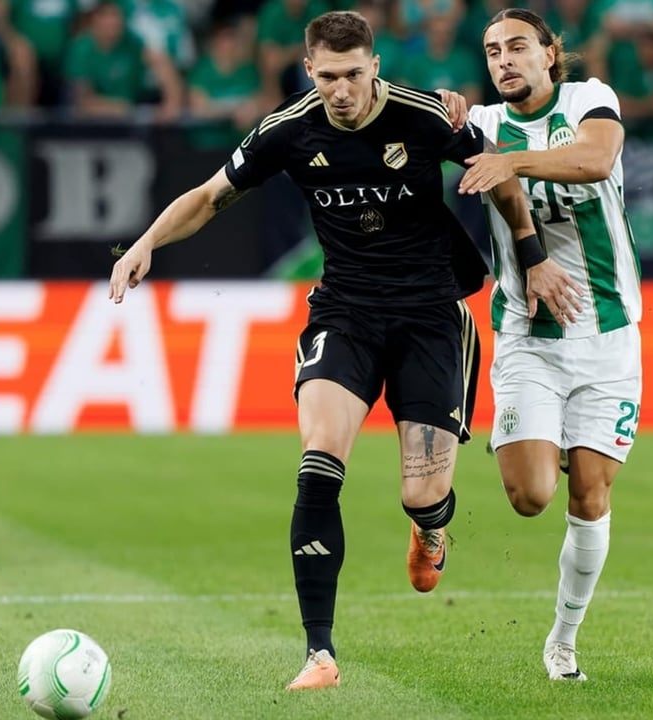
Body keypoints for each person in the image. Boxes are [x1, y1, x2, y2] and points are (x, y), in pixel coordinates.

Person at [109, 9, 575, 692]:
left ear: (375, 67)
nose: (342, 90)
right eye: (328, 77)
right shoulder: (289, 129)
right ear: (309, 72)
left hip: (429, 317)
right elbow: (212, 197)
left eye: (354, 74)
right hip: (346, 313)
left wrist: (532, 257)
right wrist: (146, 243)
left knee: (423, 493)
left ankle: (431, 529)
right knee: (318, 462)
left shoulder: (425, 117)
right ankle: (318, 654)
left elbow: (499, 174)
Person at [458, 7, 642, 682]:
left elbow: (597, 160)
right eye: (490, 51)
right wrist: (449, 111)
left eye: (515, 47)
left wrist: (508, 158)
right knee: (532, 496)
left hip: (611, 338)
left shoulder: (588, 100)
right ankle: (527, 433)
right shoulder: (479, 124)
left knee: (590, 499)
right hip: (529, 336)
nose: (502, 60)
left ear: (548, 53)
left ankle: (563, 638)